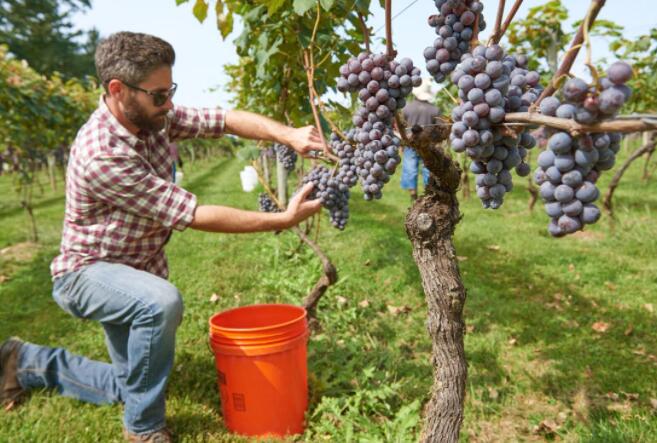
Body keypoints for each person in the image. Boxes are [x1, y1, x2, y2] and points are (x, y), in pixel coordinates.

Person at [0, 32, 323, 443]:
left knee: (131, 386)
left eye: (170, 91)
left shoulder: (150, 115)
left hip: (133, 270)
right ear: (118, 90)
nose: (168, 104)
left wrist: (288, 135)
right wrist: (282, 219)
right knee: (160, 304)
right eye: (159, 95)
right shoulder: (103, 154)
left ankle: (24, 362)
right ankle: (144, 429)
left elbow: (220, 120)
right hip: (87, 274)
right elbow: (193, 213)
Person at [400, 78, 441, 200]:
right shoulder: (435, 110)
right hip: (428, 144)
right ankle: (429, 190)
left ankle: (413, 192)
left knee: (410, 167)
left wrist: (401, 144)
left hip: (411, 143)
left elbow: (402, 127)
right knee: (428, 168)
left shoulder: (407, 108)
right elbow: (439, 129)